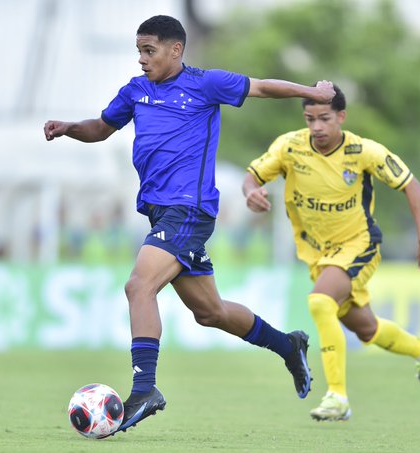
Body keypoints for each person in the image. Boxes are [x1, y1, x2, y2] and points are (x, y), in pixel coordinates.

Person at [44, 15, 335, 432]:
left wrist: (313, 93)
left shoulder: (205, 84)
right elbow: (102, 128)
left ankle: (145, 388)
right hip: (161, 212)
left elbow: (263, 87)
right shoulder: (136, 91)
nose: (142, 60)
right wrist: (70, 127)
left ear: (175, 50)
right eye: (139, 52)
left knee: (138, 286)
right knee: (210, 312)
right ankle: (288, 346)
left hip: (190, 209)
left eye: (150, 51)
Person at [242, 84, 420, 422]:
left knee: (320, 302)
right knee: (366, 329)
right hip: (317, 254)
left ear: (341, 116)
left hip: (359, 244)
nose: (317, 127)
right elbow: (252, 176)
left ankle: (337, 397)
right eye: (310, 119)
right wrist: (251, 193)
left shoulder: (363, 151)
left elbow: (410, 183)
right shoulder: (289, 147)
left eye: (324, 118)